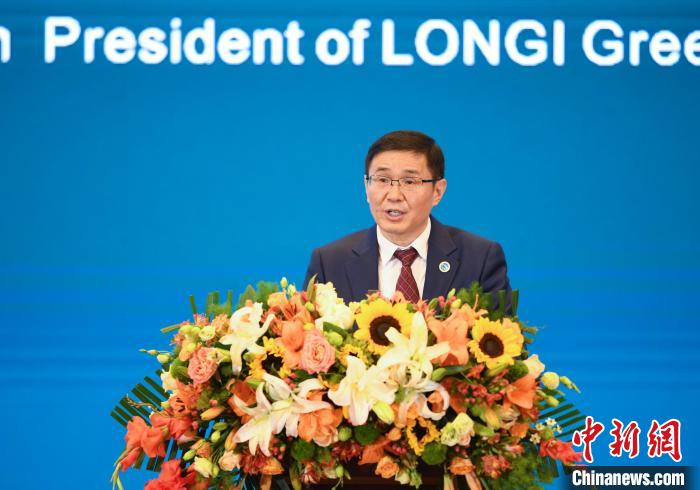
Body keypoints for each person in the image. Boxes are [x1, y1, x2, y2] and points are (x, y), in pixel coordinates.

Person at [303, 130, 511, 309]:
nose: (394, 195)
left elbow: (500, 339)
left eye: (409, 181)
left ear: (438, 191)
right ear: (366, 186)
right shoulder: (329, 263)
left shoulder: (480, 260)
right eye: (382, 180)